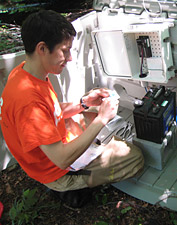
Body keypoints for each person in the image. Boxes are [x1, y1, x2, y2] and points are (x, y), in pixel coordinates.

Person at [0, 10, 144, 208]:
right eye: (64, 50)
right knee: (134, 157)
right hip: (54, 168)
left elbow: (50, 110)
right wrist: (101, 119)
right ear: (42, 48)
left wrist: (84, 102)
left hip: (49, 149)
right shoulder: (28, 101)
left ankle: (84, 164)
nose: (69, 58)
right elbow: (61, 159)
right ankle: (69, 187)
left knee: (90, 116)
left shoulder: (25, 74)